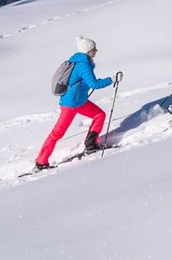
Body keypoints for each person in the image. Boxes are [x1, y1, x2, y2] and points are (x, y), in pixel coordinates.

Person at [34, 36, 115, 170]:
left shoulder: (79, 61)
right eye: (94, 48)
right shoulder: (83, 65)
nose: (96, 50)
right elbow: (94, 84)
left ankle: (91, 145)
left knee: (99, 115)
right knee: (57, 133)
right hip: (70, 104)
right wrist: (111, 80)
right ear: (88, 50)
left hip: (80, 101)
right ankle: (41, 162)